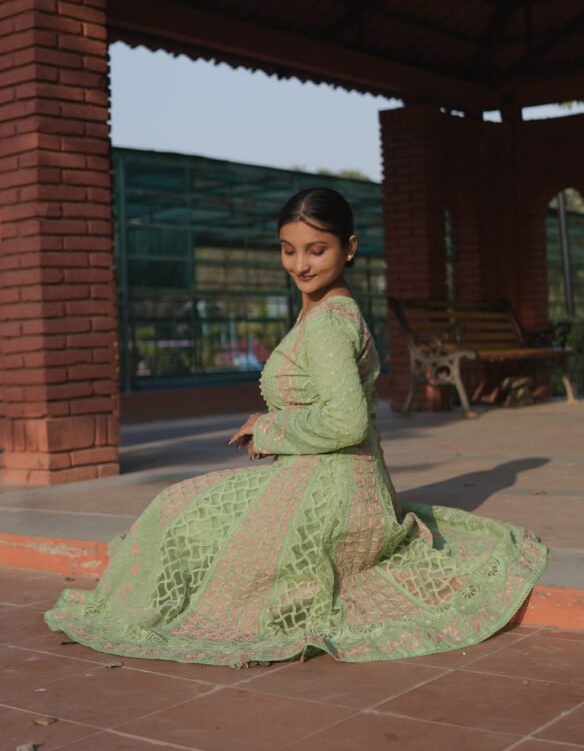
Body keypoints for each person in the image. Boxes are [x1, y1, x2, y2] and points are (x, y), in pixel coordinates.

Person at [44, 187, 548, 667]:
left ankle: (146, 609)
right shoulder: (328, 312)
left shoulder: (328, 322)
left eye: (316, 250)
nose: (300, 264)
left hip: (332, 493)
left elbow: (348, 421)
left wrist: (268, 429)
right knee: (182, 507)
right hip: (345, 484)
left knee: (176, 508)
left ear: (350, 248)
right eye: (289, 250)